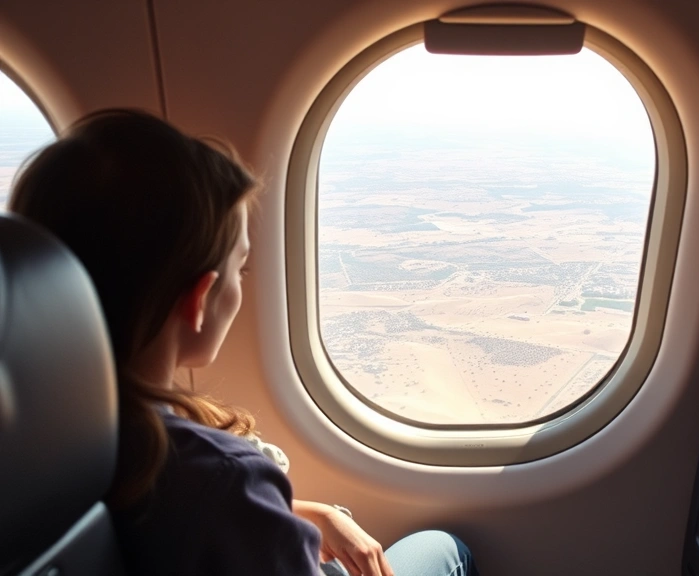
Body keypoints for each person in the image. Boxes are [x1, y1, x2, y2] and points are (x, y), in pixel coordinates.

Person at [9, 109, 478, 576]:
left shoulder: (34, 445)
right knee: (445, 548)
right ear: (199, 298)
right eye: (241, 270)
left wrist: (309, 514)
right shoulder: (220, 476)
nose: (241, 286)